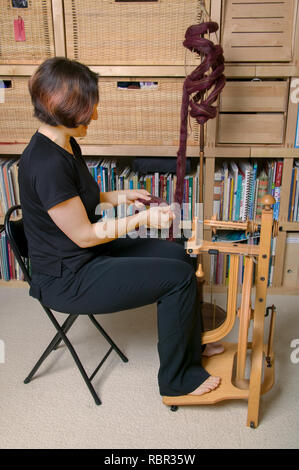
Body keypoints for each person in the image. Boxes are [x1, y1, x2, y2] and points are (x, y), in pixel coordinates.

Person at [18, 57, 221, 398]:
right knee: (177, 279)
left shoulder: (65, 142)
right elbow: (82, 233)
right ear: (63, 108)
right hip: (69, 277)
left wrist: (118, 195)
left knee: (181, 251)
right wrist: (140, 220)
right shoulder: (45, 163)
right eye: (88, 109)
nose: (93, 117)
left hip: (87, 253)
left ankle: (192, 346)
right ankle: (177, 379)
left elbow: (80, 200)